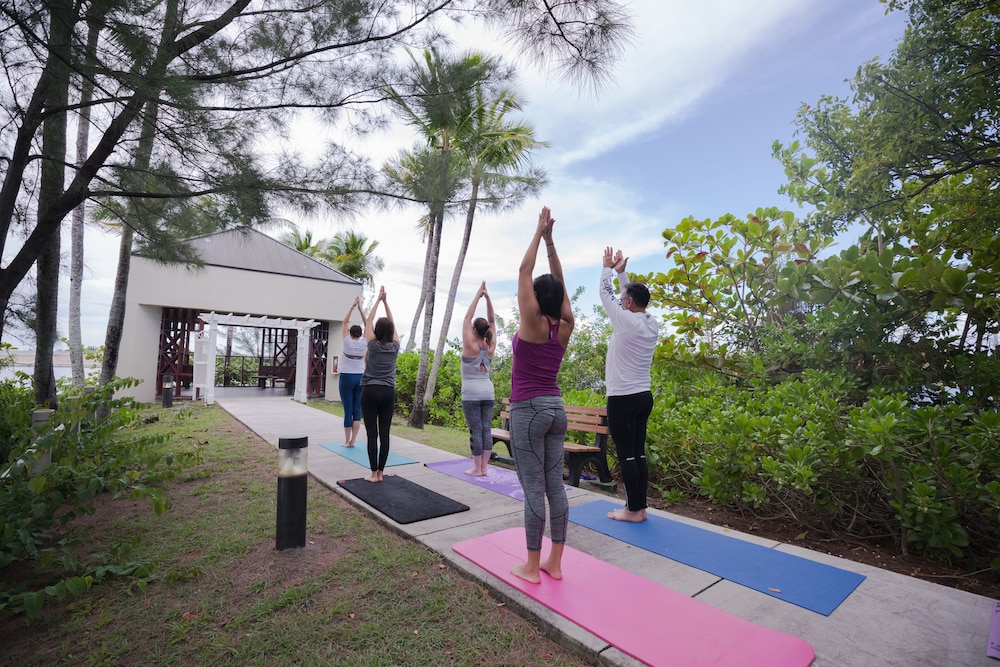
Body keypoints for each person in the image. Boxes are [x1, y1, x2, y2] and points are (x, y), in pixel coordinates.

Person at [509, 206, 575, 584]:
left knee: (533, 487)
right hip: (556, 409)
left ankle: (532, 568)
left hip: (529, 411)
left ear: (536, 297)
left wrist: (537, 232)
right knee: (554, 486)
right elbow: (559, 284)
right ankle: (555, 562)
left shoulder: (532, 322)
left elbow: (523, 271)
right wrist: (551, 242)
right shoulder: (564, 326)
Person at [598, 247, 658, 522]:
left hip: (622, 398)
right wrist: (623, 275)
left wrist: (607, 269)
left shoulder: (626, 321)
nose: (620, 302)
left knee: (627, 456)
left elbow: (605, 294)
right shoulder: (650, 323)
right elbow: (630, 298)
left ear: (630, 304)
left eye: (624, 300)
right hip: (643, 396)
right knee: (638, 454)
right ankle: (639, 507)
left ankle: (633, 510)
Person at [360, 286, 400, 483]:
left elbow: (368, 321)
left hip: (370, 391)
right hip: (388, 393)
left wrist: (378, 300)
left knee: (371, 434)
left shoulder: (372, 345)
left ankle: (373, 473)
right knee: (384, 433)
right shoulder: (395, 346)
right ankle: (381, 473)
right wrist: (386, 302)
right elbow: (391, 325)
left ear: (376, 331)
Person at [460, 281, 497, 476]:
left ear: (474, 330)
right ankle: (484, 467)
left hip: (472, 394)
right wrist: (488, 298)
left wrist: (478, 294)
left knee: (476, 429)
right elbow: (492, 321)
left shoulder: (470, 346)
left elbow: (467, 317)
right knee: (486, 429)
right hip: (487, 392)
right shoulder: (490, 347)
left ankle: (476, 467)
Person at [339, 296, 367, 447]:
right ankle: (354, 441)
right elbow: (368, 323)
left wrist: (352, 307)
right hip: (360, 378)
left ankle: (346, 441)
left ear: (350, 333)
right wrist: (361, 310)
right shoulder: (364, 342)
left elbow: (344, 322)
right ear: (361, 334)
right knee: (357, 410)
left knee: (347, 409)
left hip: (346, 378)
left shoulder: (346, 341)